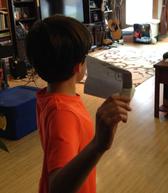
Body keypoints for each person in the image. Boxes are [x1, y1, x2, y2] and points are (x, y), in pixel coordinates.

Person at [26, 15, 131, 193]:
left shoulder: (47, 96)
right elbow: (57, 188)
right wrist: (98, 145)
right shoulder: (63, 113)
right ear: (78, 66)